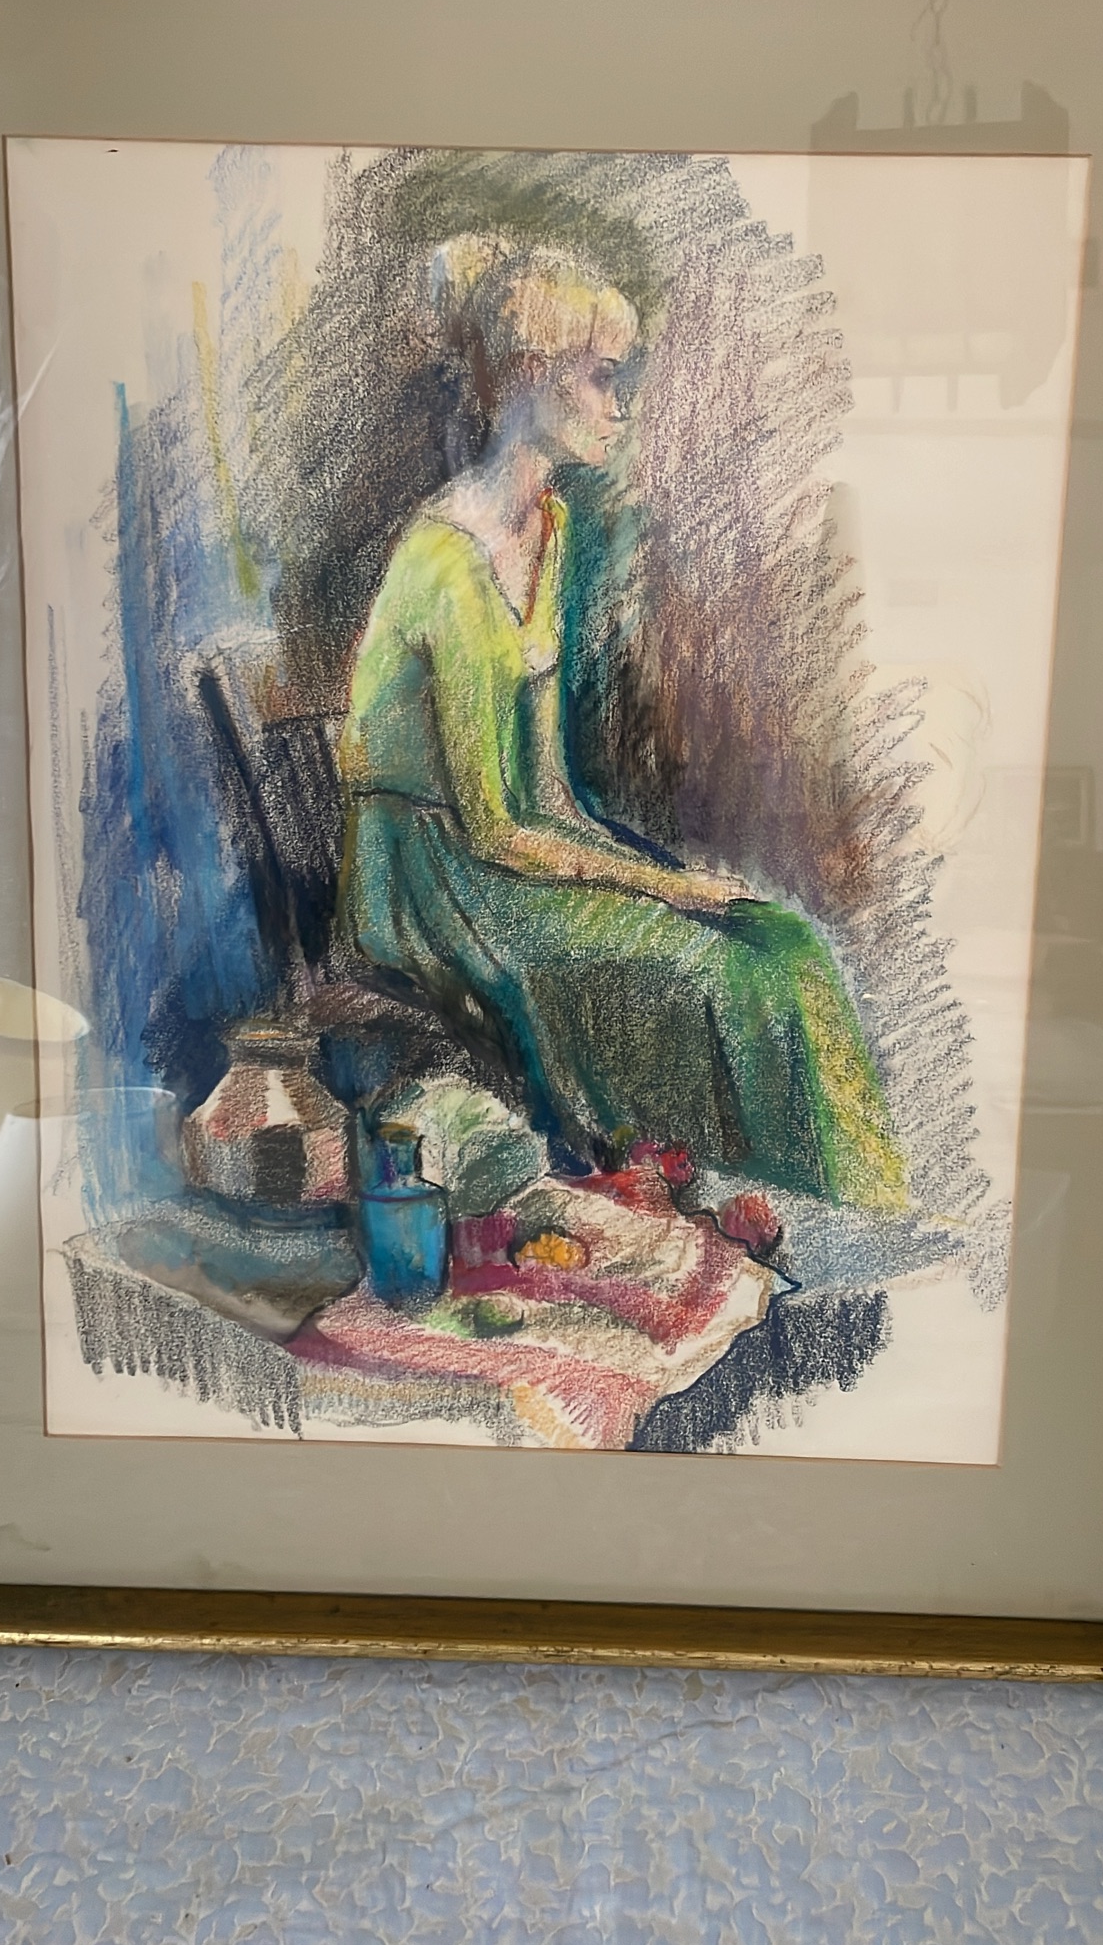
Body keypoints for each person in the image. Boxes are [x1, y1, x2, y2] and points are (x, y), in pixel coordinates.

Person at [336, 236, 907, 1213]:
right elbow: (491, 828)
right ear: (530, 375)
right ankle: (719, 1203)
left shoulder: (552, 529)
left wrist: (668, 883)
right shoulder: (444, 559)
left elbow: (550, 796)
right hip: (430, 877)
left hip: (523, 851)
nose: (620, 403)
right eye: (601, 376)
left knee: (781, 943)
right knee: (709, 971)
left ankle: (852, 1211)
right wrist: (668, 886)